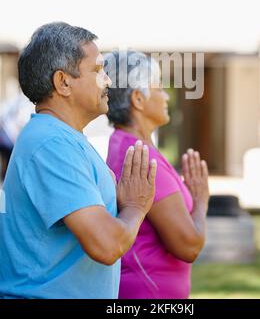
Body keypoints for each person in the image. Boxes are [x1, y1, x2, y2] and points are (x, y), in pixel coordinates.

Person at [0, 23, 157, 299]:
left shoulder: (63, 139)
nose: (108, 81)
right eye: (97, 71)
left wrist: (117, 202)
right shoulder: (51, 144)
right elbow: (106, 245)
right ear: (63, 82)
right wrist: (135, 207)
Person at [105, 50, 210, 299]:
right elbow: (189, 245)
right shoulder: (142, 157)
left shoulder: (129, 145)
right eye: (160, 87)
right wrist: (202, 200)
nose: (166, 96)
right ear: (138, 99)